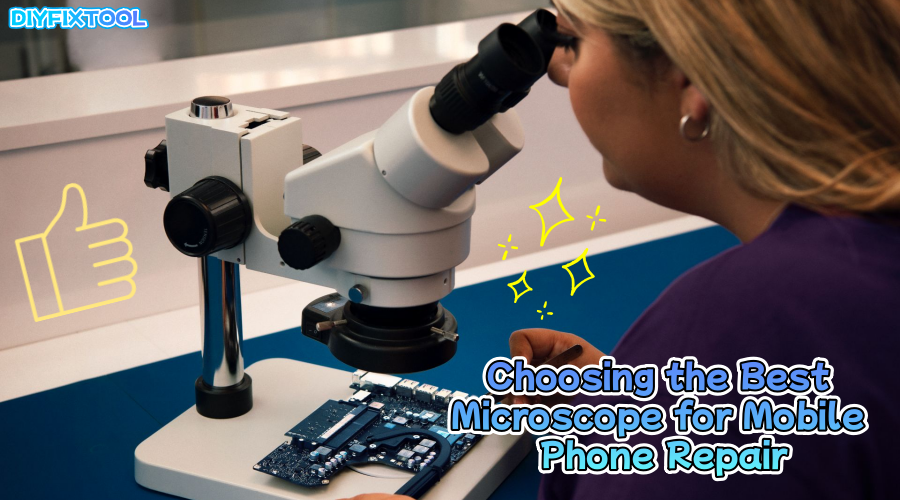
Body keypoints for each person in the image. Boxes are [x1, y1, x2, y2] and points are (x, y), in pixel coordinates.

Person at [346, 0, 900, 498]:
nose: (559, 72)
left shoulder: (756, 315)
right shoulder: (847, 270)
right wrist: (646, 421)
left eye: (578, 43)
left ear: (691, 82)